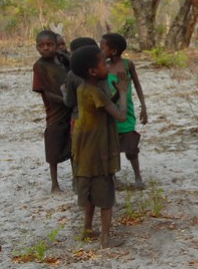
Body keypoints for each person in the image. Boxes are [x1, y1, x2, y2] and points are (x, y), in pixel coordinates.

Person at [70, 45, 129, 248]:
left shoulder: (83, 88)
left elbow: (103, 107)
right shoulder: (96, 91)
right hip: (99, 151)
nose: (108, 67)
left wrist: (114, 95)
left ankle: (87, 229)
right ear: (93, 71)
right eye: (104, 64)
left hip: (85, 151)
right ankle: (105, 237)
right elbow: (120, 116)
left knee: (89, 193)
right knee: (105, 195)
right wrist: (122, 93)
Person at [101, 33, 148, 187]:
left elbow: (137, 84)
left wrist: (143, 106)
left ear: (113, 51)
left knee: (131, 147)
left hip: (126, 112)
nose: (100, 50)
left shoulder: (128, 65)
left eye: (102, 47)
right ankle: (113, 177)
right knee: (110, 147)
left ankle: (138, 177)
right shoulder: (103, 67)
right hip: (109, 113)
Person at [32, 30, 72, 193]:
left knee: (73, 144)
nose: (46, 48)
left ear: (57, 46)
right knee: (53, 146)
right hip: (55, 111)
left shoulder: (63, 62)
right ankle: (54, 183)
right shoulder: (40, 66)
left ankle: (77, 178)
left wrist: (66, 57)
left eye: (49, 45)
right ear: (37, 48)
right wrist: (65, 101)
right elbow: (46, 93)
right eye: (41, 46)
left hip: (71, 109)